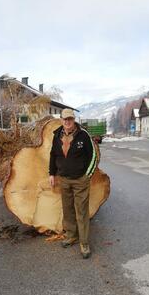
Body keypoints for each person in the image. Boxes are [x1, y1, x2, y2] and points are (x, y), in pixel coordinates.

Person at [49, 108, 97, 259]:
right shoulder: (57, 135)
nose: (67, 122)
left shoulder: (83, 135)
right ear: (61, 120)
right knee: (67, 209)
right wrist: (51, 173)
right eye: (65, 119)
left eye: (70, 119)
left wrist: (87, 175)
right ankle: (71, 235)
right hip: (64, 179)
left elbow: (93, 155)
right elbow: (53, 155)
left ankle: (84, 242)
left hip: (80, 180)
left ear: (74, 119)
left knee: (81, 211)